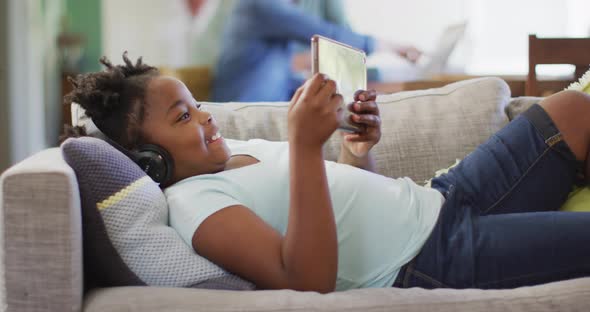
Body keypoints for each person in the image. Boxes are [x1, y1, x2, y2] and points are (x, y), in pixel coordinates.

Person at [63, 53, 590, 293]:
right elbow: (307, 279)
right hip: (428, 258)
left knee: (571, 110)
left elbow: (336, 202)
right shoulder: (196, 206)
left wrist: (357, 151)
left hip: (441, 198)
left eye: (196, 103)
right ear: (150, 161)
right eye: (183, 117)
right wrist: (306, 147)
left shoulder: (231, 150)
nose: (204, 115)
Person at [211, 0, 421, 102]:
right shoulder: (261, 5)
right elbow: (328, 34)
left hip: (266, 98)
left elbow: (282, 68)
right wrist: (394, 47)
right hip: (246, 106)